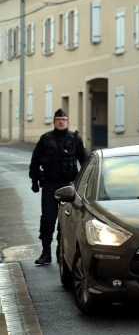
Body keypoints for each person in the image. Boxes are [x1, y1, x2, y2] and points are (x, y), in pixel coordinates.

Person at [29, 108, 87, 265]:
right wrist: (34, 180)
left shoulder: (75, 139)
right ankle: (45, 252)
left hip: (69, 186)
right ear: (54, 122)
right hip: (50, 186)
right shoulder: (45, 139)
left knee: (66, 222)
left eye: (64, 119)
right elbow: (35, 161)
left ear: (67, 122)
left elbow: (85, 162)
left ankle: (62, 251)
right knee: (48, 219)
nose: (61, 121)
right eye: (58, 119)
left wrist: (86, 183)